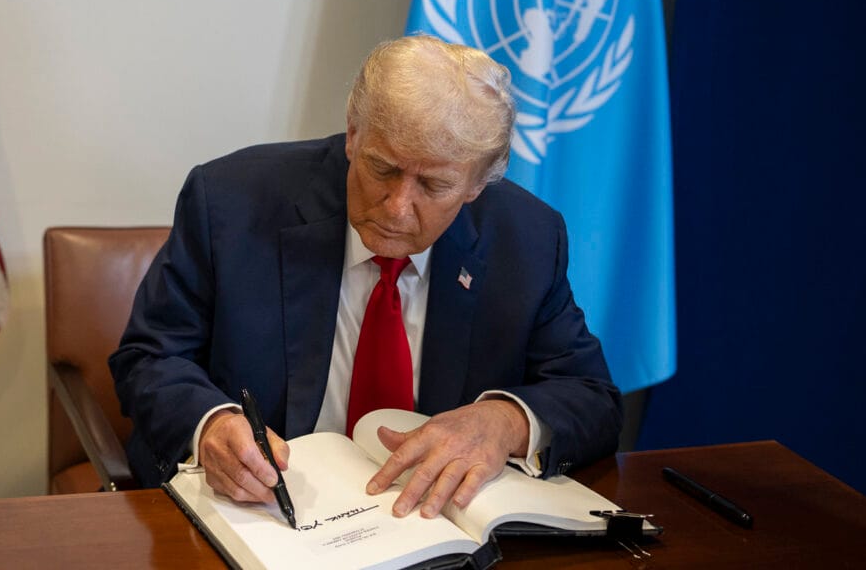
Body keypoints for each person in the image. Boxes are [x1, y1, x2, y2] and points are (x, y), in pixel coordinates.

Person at [110, 35, 622, 520]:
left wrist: (504, 421)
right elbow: (149, 355)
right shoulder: (230, 203)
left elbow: (590, 395)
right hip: (263, 517)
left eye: (434, 184)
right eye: (382, 169)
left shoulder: (527, 239)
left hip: (427, 525)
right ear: (353, 134)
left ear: (478, 183)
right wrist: (211, 426)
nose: (398, 208)